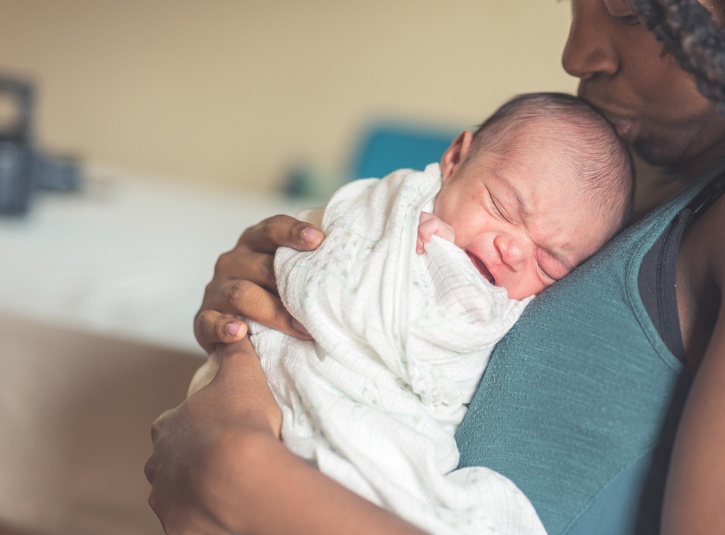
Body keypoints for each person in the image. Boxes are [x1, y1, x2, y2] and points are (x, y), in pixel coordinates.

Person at [146, 0, 725, 534]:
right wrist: (291, 310)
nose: (578, 48)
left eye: (634, 8)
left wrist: (242, 478)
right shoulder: (656, 175)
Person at [185, 92, 632, 535]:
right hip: (279, 391)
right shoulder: (395, 208)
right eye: (500, 207)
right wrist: (407, 250)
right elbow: (334, 284)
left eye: (549, 261)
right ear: (456, 159)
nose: (512, 250)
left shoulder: (519, 303)